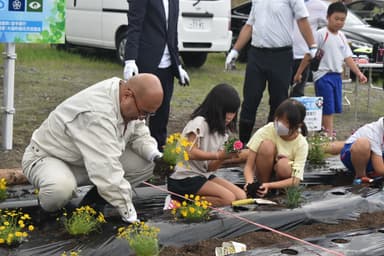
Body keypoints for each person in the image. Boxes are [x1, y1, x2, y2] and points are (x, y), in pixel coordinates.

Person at [22, 74, 164, 223]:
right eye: (143, 112)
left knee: (146, 163)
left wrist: (155, 155)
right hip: (49, 157)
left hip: (84, 160)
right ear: (127, 96)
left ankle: (92, 205)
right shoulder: (98, 114)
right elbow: (106, 170)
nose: (143, 118)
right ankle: (49, 214)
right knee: (60, 190)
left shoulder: (124, 96)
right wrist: (130, 215)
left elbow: (139, 134)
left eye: (149, 114)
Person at [225, 0, 317, 144]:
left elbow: (302, 19)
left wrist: (312, 45)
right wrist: (235, 50)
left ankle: (272, 143)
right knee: (250, 98)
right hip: (257, 53)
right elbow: (250, 25)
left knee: (278, 101)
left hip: (280, 54)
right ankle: (242, 144)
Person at [123, 0, 190, 151]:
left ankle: (158, 153)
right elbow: (134, 26)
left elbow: (173, 31)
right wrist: (130, 59)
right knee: (137, 112)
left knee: (162, 111)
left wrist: (177, 63)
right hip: (146, 61)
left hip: (167, 66)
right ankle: (129, 147)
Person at [294, 2, 367, 137]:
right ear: (328, 17)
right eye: (336, 19)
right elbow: (308, 55)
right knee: (327, 108)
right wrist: (299, 73)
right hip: (323, 76)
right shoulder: (321, 34)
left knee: (332, 108)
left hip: (336, 76)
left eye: (342, 20)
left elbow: (348, 57)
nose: (339, 22)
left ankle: (324, 132)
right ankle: (329, 135)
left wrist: (359, 73)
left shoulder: (341, 37)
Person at [167, 84, 247, 206]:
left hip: (203, 175)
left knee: (241, 196)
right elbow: (190, 152)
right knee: (228, 199)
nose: (230, 116)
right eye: (227, 112)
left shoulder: (222, 132)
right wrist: (218, 154)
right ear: (216, 108)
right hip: (184, 177)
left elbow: (210, 168)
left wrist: (225, 156)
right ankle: (180, 203)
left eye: (233, 112)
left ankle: (191, 200)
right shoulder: (199, 123)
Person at [243, 99, 308, 198]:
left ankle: (280, 191)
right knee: (266, 146)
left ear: (297, 125)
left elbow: (295, 180)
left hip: (283, 178)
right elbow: (249, 165)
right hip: (263, 175)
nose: (278, 123)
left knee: (284, 164)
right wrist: (250, 183)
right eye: (277, 119)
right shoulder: (267, 130)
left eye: (284, 122)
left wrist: (270, 185)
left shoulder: (301, 144)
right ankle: (263, 188)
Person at [290, 0, 328, 97]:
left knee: (297, 93)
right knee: (278, 93)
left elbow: (333, 24)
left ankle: (295, 112)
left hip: (304, 56)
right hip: (282, 53)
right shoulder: (285, 2)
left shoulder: (319, 6)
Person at [340, 117, 384, 184]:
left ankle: (373, 173)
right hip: (353, 158)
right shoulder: (372, 131)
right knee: (362, 143)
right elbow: (380, 169)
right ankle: (360, 176)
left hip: (376, 158)